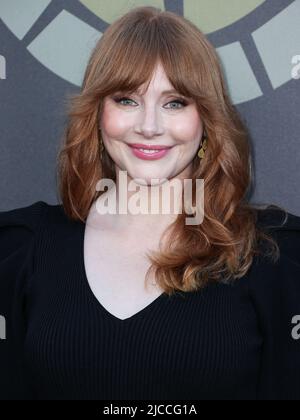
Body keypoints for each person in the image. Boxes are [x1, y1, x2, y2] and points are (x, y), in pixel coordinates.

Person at [0, 6, 300, 400]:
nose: (149, 126)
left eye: (175, 102)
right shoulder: (19, 249)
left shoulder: (273, 254)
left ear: (207, 119)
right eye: (127, 99)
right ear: (97, 114)